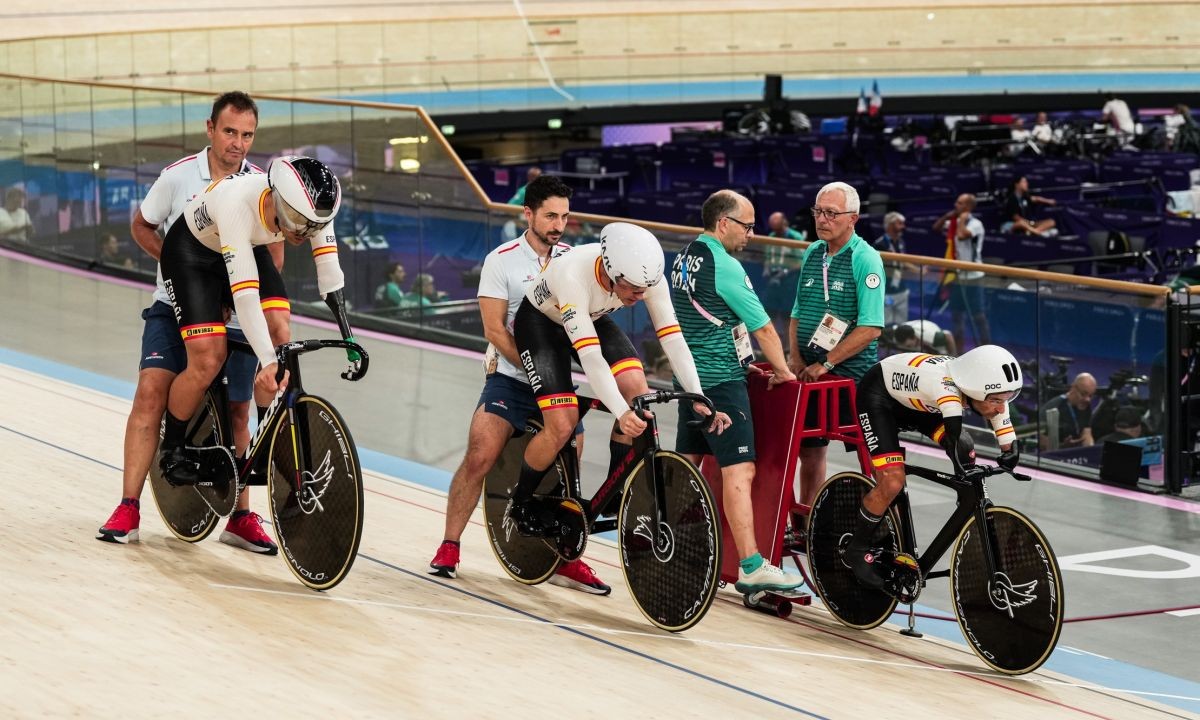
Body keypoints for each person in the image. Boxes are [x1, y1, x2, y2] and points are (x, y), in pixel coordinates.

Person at [97, 91, 279, 551]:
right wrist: (174, 266)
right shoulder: (178, 177)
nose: (238, 143)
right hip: (172, 302)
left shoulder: (261, 185)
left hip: (233, 307)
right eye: (230, 132)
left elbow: (272, 249)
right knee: (150, 390)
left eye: (247, 135)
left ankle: (240, 516)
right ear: (210, 129)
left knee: (240, 409)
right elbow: (141, 225)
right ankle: (128, 506)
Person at [428, 174, 606, 594]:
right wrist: (532, 371)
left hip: (557, 384)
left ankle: (566, 558)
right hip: (511, 380)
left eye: (564, 216)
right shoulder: (501, 259)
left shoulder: (575, 259)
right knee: (479, 455)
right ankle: (449, 545)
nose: (558, 224)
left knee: (569, 470)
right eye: (550, 216)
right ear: (528, 214)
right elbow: (494, 329)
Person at [507, 222, 731, 542]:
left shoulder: (644, 276)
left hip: (591, 316)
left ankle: (614, 490)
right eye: (634, 290)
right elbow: (592, 360)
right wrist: (621, 413)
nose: (640, 297)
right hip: (542, 324)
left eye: (645, 289)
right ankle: (522, 500)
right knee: (562, 423)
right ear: (612, 273)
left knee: (637, 391)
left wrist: (697, 393)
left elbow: (673, 338)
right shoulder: (574, 275)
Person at [155, 154, 362, 488]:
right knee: (209, 358)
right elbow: (246, 297)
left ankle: (264, 440)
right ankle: (172, 447)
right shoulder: (239, 203)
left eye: (311, 224)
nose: (303, 231)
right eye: (295, 219)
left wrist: (350, 342)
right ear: (277, 196)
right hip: (192, 253)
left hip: (244, 244)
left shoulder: (316, 209)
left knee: (281, 330)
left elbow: (330, 275)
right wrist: (267, 361)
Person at [670, 190, 804, 593]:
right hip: (720, 381)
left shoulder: (682, 257)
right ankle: (751, 565)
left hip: (688, 378)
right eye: (746, 225)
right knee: (739, 470)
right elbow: (762, 327)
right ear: (723, 223)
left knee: (688, 463)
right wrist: (784, 372)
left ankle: (668, 540)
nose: (751, 233)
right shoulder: (724, 266)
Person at [847, 345, 1021, 588]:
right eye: (995, 401)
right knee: (893, 480)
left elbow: (999, 419)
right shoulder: (946, 385)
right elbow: (952, 429)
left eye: (1007, 399)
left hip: (919, 403)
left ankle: (963, 503)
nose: (1001, 407)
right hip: (879, 397)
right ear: (973, 391)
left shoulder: (982, 387)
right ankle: (857, 549)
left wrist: (1009, 449)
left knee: (964, 447)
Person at [787, 181, 885, 508]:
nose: (822, 219)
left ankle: (884, 527)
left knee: (873, 462)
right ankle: (806, 527)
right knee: (809, 452)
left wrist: (826, 362)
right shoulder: (813, 252)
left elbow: (871, 328)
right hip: (813, 377)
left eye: (831, 213)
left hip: (852, 381)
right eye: (819, 211)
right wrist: (795, 355)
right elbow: (797, 312)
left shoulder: (865, 258)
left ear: (853, 218)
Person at [933, 193, 990, 347]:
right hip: (958, 276)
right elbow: (936, 228)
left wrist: (962, 219)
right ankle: (958, 351)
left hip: (974, 277)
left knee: (978, 316)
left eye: (959, 203)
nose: (955, 205)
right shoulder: (955, 222)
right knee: (957, 315)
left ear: (968, 207)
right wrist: (947, 217)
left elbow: (962, 235)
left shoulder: (976, 224)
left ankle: (986, 348)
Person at [762, 210, 805, 324]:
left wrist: (785, 271)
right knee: (770, 317)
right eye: (774, 229)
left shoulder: (795, 237)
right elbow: (768, 258)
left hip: (789, 284)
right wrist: (766, 269)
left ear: (784, 223)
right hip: (773, 283)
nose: (776, 232)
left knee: (787, 320)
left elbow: (801, 262)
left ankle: (787, 342)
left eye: (778, 229)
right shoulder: (771, 236)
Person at [872, 211, 914, 325]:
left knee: (902, 324)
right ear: (890, 225)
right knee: (886, 323)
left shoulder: (900, 242)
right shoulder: (880, 244)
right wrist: (917, 269)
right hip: (886, 291)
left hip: (901, 289)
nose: (903, 227)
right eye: (899, 223)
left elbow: (902, 261)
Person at [1039, 372, 1096, 450]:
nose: (1087, 399)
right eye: (1083, 394)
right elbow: (1043, 445)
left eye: (1090, 395)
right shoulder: (1053, 408)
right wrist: (1063, 446)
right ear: (1073, 388)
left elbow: (1086, 433)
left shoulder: (1085, 405)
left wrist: (1090, 450)